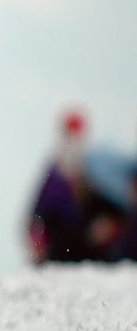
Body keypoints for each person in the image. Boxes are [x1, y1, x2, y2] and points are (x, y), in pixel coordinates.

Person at [27, 110, 126, 263]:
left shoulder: (98, 169)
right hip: (57, 257)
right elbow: (35, 217)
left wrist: (109, 227)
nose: (73, 142)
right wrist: (38, 244)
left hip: (96, 259)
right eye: (69, 136)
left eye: (76, 136)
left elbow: (120, 212)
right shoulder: (54, 174)